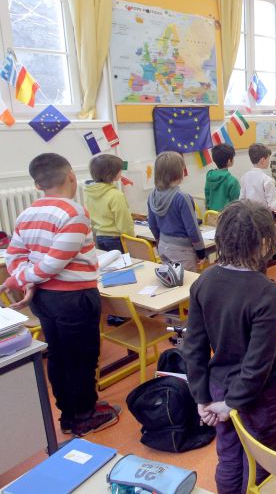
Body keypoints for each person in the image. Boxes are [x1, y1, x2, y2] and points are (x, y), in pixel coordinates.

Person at [1, 153, 120, 437]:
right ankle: (84, 415)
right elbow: (55, 262)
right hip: (74, 299)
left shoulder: (26, 214)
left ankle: (67, 413)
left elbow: (15, 255)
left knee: (59, 355)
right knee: (82, 357)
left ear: (37, 184)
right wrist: (25, 278)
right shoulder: (73, 212)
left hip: (44, 298)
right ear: (70, 175)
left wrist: (23, 279)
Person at [184, 201, 276, 494]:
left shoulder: (204, 281)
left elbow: (193, 346)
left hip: (220, 387)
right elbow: (258, 364)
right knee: (262, 464)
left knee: (229, 457)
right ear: (265, 242)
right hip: (262, 398)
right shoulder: (267, 292)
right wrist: (232, 404)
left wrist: (202, 398)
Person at [148, 152, 206, 271]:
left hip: (163, 246)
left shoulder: (152, 195)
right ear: (179, 172)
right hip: (182, 250)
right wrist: (201, 252)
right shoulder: (182, 198)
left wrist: (160, 241)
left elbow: (152, 225)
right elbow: (192, 229)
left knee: (172, 284)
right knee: (186, 286)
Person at [239, 143, 276, 258]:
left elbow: (242, 200)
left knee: (254, 247)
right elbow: (273, 205)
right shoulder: (267, 180)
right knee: (264, 248)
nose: (269, 161)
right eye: (268, 159)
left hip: (249, 218)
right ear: (263, 160)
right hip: (264, 219)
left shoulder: (245, 177)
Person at [85, 153, 134, 252]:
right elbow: (123, 221)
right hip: (116, 239)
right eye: (120, 170)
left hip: (99, 237)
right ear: (112, 173)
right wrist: (131, 238)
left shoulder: (90, 193)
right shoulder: (116, 195)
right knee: (123, 265)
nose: (121, 172)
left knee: (110, 266)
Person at [205, 144, 240, 212]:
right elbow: (237, 204)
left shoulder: (209, 176)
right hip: (227, 217)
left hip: (212, 215)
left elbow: (207, 196)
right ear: (229, 161)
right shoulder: (232, 181)